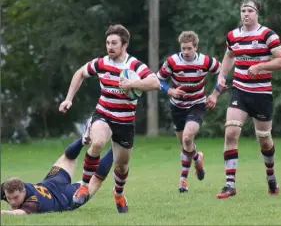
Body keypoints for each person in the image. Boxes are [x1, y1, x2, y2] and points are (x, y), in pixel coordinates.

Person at [59, 24, 160, 213]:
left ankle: (119, 193)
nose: (109, 47)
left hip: (125, 121)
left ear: (124, 45)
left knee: (121, 166)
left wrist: (132, 84)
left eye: (114, 43)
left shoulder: (134, 65)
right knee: (97, 143)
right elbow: (80, 73)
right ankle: (84, 186)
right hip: (103, 114)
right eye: (107, 43)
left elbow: (155, 83)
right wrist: (68, 99)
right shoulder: (101, 63)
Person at [216, 0, 281, 199]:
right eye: (243, 10)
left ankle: (271, 175)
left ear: (257, 14)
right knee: (230, 132)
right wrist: (222, 76)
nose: (246, 14)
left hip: (262, 94)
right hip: (240, 91)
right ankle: (229, 184)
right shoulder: (233, 36)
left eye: (250, 10)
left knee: (264, 140)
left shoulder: (267, 35)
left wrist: (260, 66)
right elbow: (229, 55)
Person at [157, 31, 222, 193]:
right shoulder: (172, 61)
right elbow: (157, 79)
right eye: (183, 48)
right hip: (177, 106)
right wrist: (170, 91)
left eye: (189, 49)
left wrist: (215, 93)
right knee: (184, 144)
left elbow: (223, 71)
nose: (185, 52)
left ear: (196, 47)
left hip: (197, 104)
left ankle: (183, 180)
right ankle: (197, 158)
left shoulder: (205, 61)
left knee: (187, 137)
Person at [1, 137, 113, 215]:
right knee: (68, 158)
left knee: (95, 179)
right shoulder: (10, 187)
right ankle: (85, 139)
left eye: (15, 197)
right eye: (9, 198)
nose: (12, 202)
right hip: (50, 182)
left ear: (24, 190)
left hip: (65, 197)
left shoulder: (33, 202)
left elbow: (17, 214)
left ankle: (115, 149)